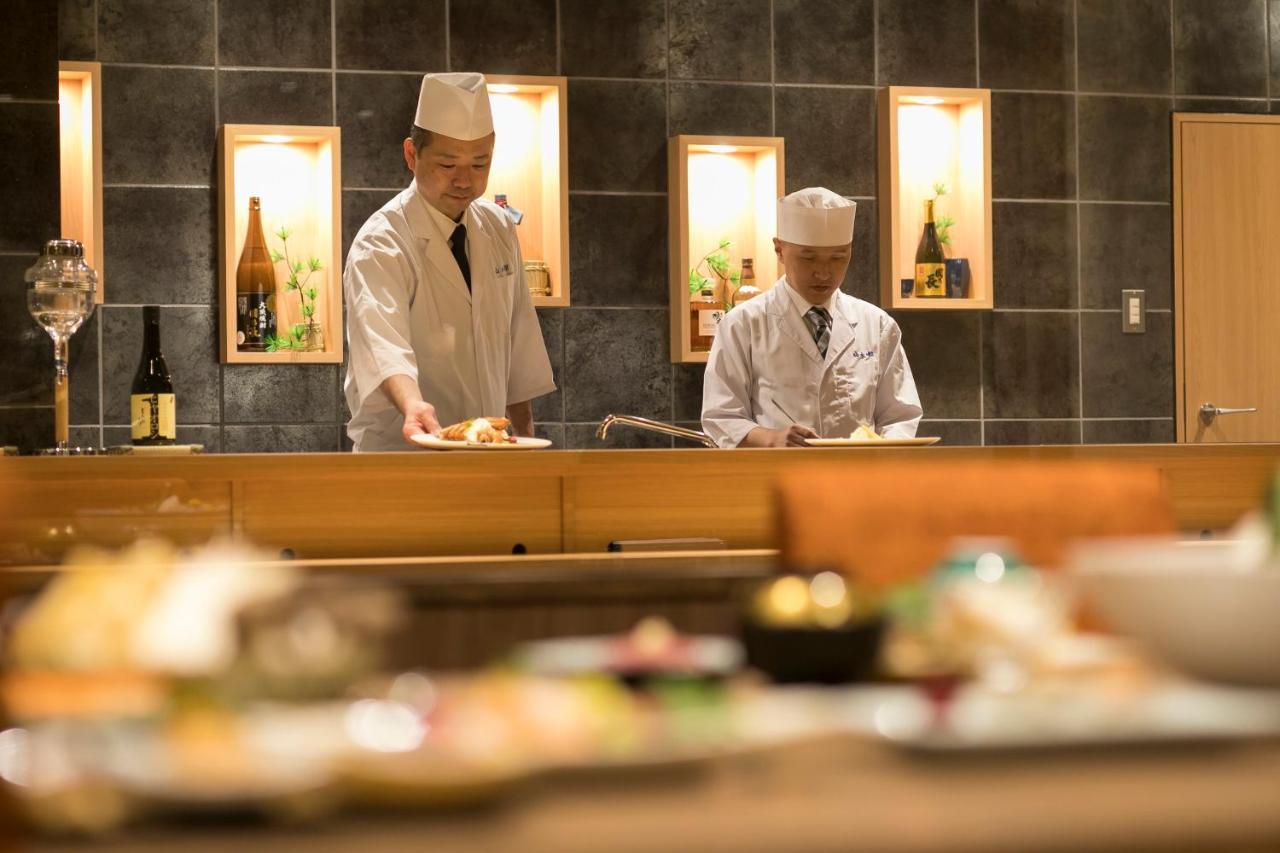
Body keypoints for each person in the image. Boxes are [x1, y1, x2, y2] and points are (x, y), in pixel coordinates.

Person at [343, 72, 556, 451]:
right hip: (402, 456)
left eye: (479, 164)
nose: (464, 181)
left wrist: (525, 442)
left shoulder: (499, 228)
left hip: (488, 456)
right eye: (447, 165)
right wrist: (412, 405)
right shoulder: (382, 242)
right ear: (412, 154)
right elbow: (383, 344)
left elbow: (518, 345)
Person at [701, 187, 922, 448]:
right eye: (808, 258)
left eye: (838, 258)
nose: (824, 273)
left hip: (857, 481)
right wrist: (773, 439)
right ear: (779, 250)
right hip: (775, 478)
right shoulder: (743, 324)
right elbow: (721, 416)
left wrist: (881, 456)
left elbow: (899, 417)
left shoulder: (878, 325)